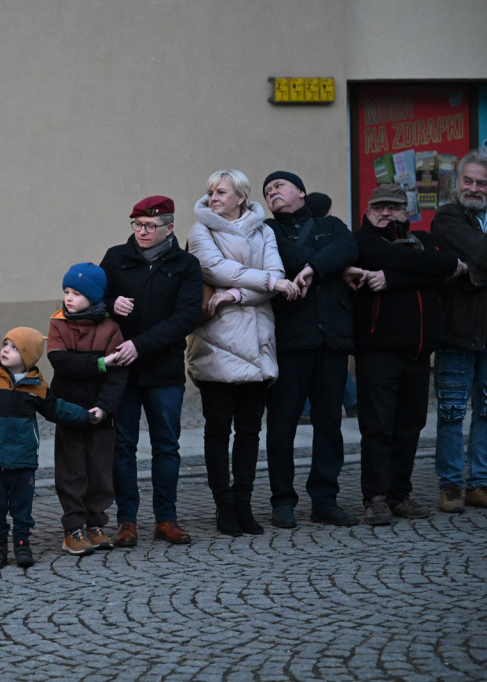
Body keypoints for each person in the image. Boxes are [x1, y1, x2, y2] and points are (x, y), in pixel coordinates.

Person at [187, 170, 298, 536]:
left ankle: (244, 505)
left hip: (258, 342)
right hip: (216, 342)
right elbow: (216, 270)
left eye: (221, 192)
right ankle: (224, 507)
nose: (214, 197)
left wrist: (235, 294)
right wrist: (266, 282)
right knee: (218, 429)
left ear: (241, 197)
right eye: (210, 192)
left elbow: (276, 277)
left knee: (250, 431)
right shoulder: (201, 230)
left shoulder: (263, 230)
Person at [349, 183, 463, 524]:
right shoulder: (363, 241)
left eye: (394, 207)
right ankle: (376, 497)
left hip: (418, 352)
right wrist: (429, 267)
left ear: (406, 212)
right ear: (368, 211)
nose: (386, 213)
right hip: (378, 351)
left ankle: (401, 494)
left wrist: (394, 278)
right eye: (379, 207)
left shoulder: (424, 240)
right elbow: (404, 260)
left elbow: (441, 271)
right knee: (378, 428)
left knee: (410, 426)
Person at [101, 196, 203, 547]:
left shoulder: (186, 265)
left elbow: (185, 318)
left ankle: (166, 518)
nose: (142, 232)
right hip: (122, 371)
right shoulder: (117, 258)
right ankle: (126, 521)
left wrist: (140, 345)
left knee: (166, 446)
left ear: (169, 229)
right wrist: (109, 304)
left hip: (163, 371)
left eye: (150, 226)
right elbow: (89, 299)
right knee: (122, 447)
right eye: (137, 225)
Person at [262, 170, 358, 528]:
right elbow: (283, 260)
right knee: (282, 425)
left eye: (279, 186)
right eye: (267, 191)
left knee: (329, 424)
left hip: (331, 339)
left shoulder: (331, 225)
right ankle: (282, 500)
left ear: (301, 192)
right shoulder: (267, 232)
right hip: (290, 342)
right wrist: (325, 263)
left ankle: (325, 499)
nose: (273, 192)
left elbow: (348, 247)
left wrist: (315, 267)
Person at [0, 328, 90, 567]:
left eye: (15, 347)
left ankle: (22, 544)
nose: (6, 350)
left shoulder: (37, 387)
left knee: (22, 506)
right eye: (5, 344)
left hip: (23, 458)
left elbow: (57, 409)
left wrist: (86, 416)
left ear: (28, 356)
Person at [46, 263, 127, 553]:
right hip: (68, 411)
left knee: (100, 471)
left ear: (94, 297)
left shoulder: (110, 328)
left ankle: (96, 524)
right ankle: (73, 529)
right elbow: (61, 362)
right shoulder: (58, 323)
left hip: (100, 415)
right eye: (67, 291)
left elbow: (118, 378)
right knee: (71, 472)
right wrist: (100, 363)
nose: (69, 298)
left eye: (77, 293)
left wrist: (104, 409)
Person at [430, 151, 487, 512]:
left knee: (486, 410)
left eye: (482, 183)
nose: (474, 188)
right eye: (469, 181)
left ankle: (480, 483)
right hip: (456, 331)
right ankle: (450, 484)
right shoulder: (448, 217)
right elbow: (480, 250)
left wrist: (473, 273)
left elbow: (477, 259)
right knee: (451, 412)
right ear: (457, 183)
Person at [299, 192, 358, 422]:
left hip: (316, 314)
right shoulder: (329, 232)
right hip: (328, 313)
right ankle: (352, 402)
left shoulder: (326, 231)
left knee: (318, 365)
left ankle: (307, 410)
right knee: (329, 363)